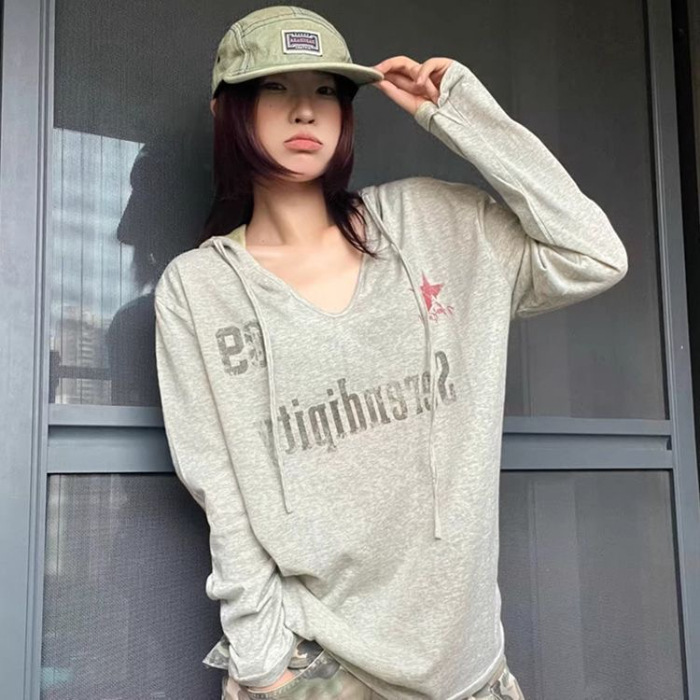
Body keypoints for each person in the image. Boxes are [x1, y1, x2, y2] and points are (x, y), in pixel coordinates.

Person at [154, 5, 628, 700]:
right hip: (316, 670)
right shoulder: (200, 289)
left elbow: (593, 256)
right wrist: (264, 666)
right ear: (228, 111)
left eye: (325, 91)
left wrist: (460, 114)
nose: (305, 111)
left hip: (469, 669)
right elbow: (219, 488)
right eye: (276, 89)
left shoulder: (433, 224)